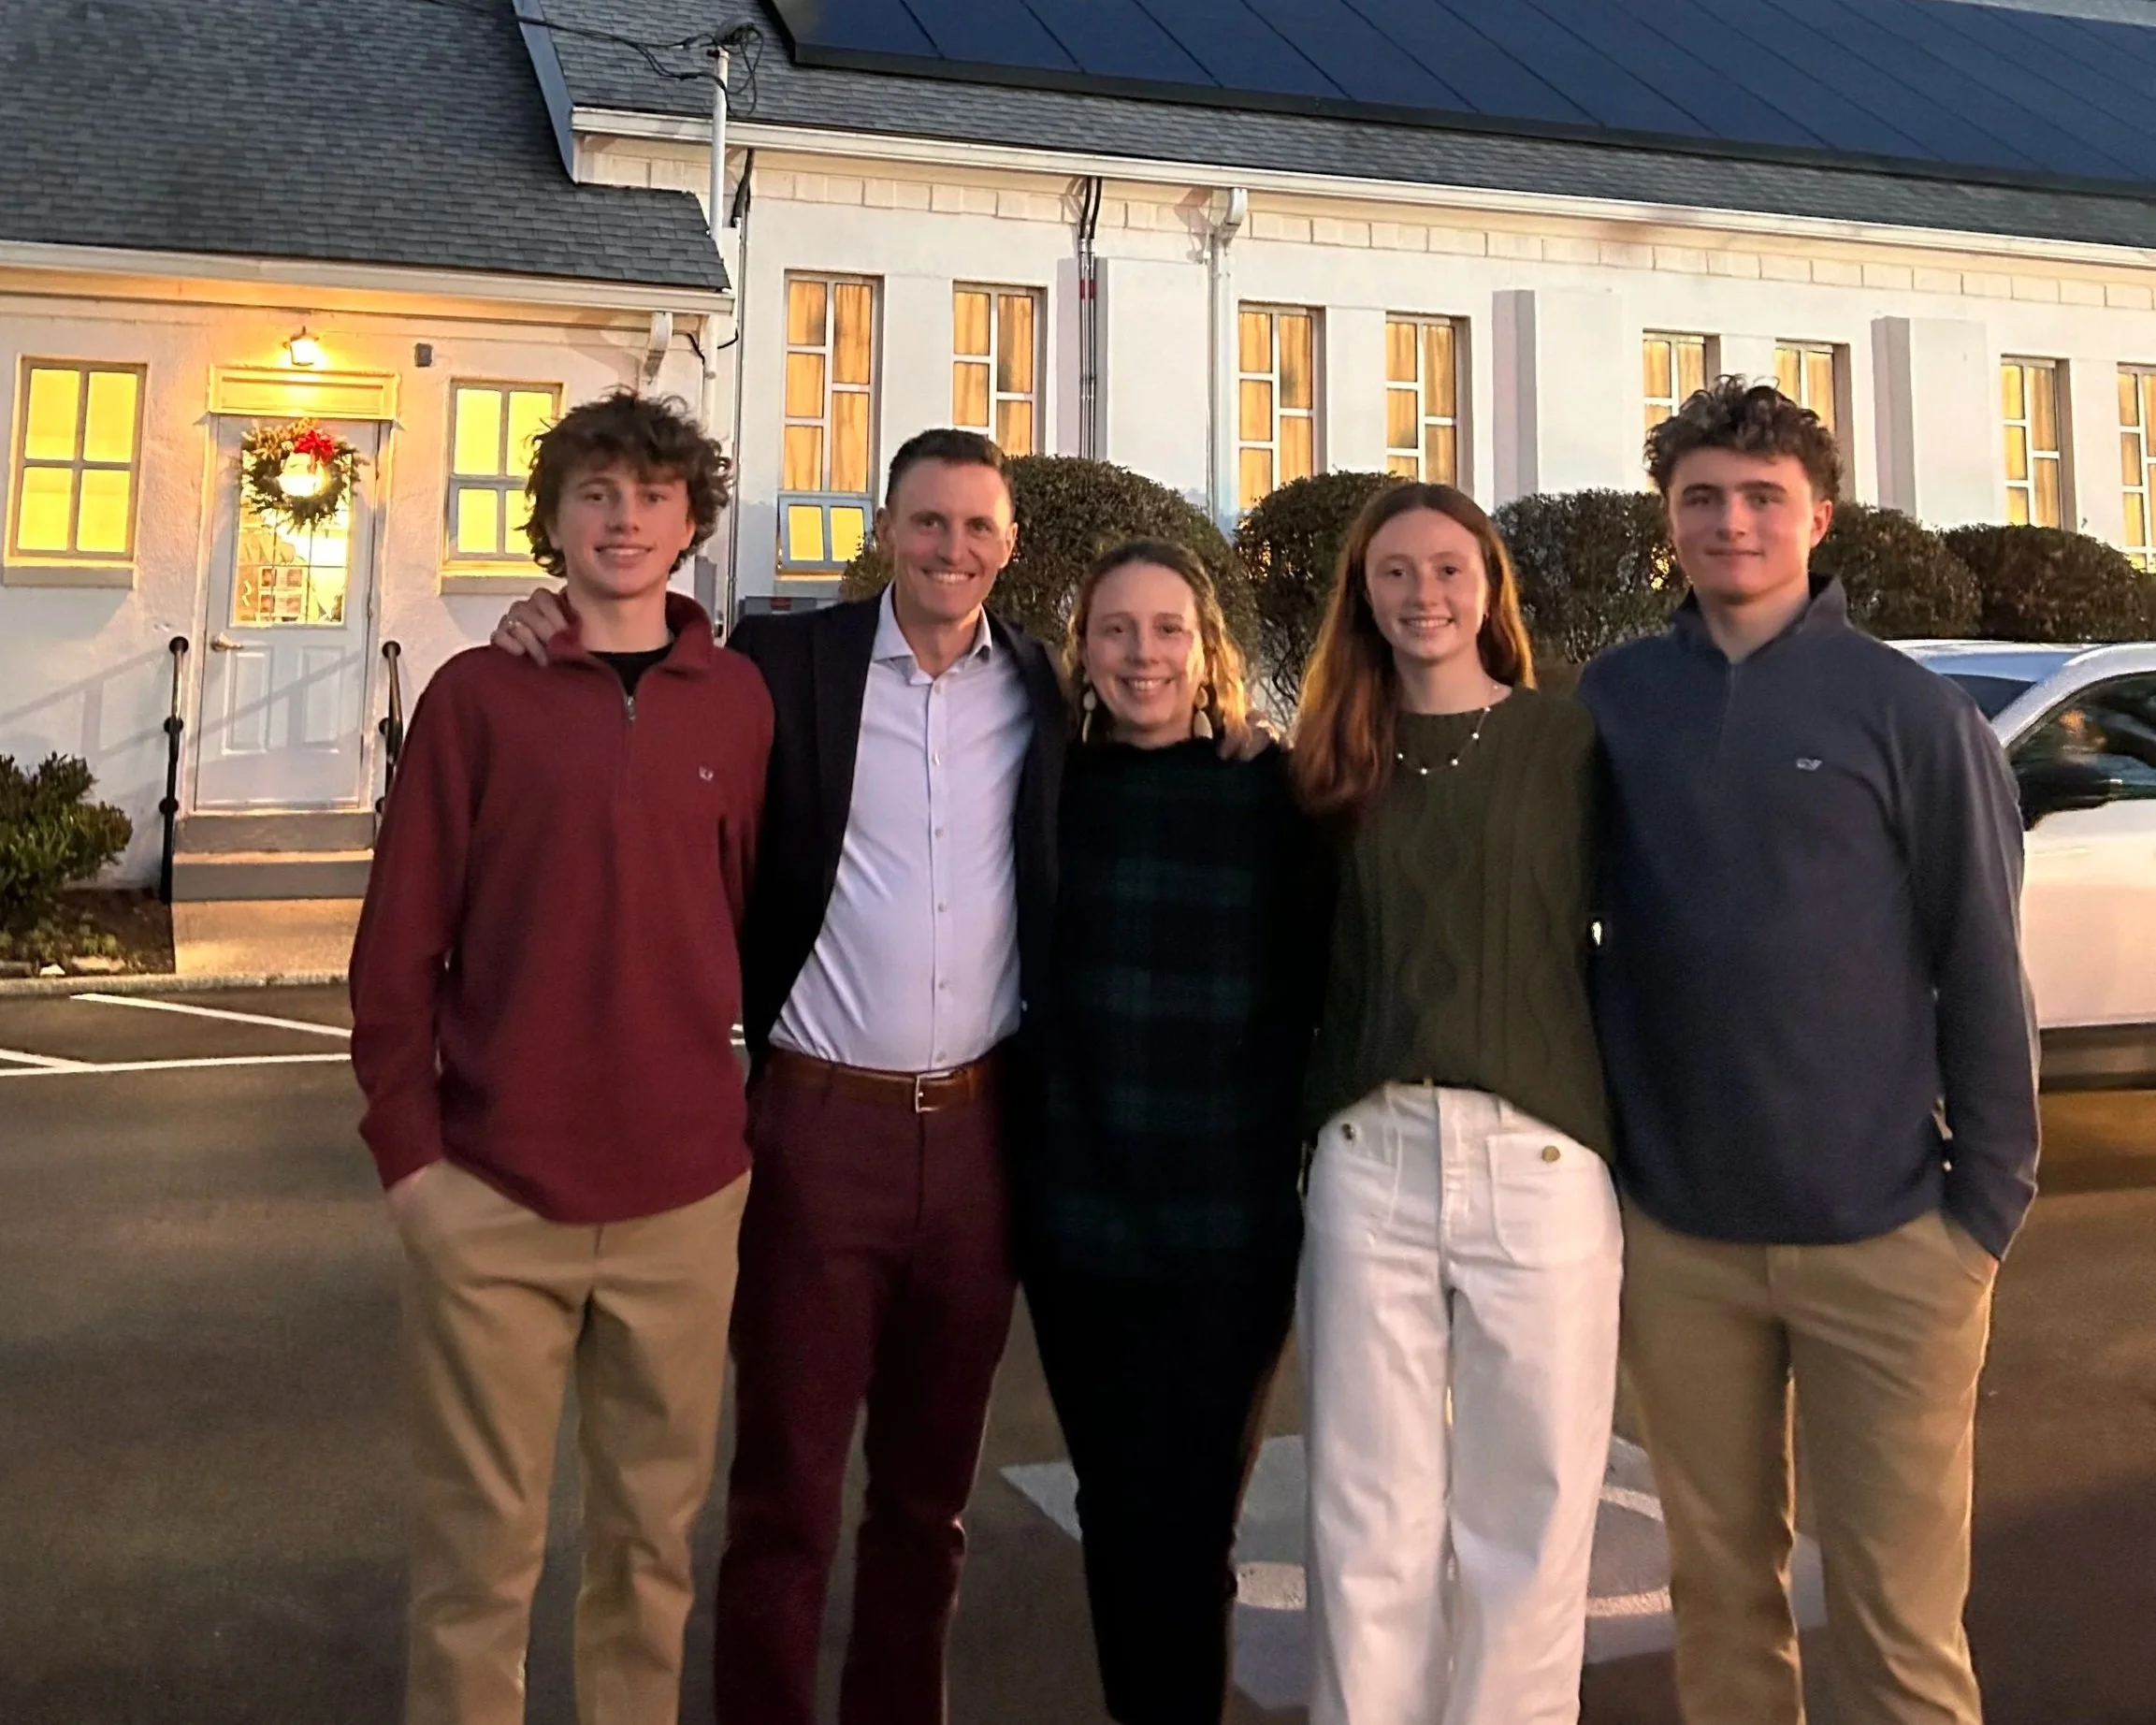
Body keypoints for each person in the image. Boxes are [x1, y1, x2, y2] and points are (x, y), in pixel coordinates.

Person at [491, 428, 1065, 1725]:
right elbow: (649, 674)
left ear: (1009, 545)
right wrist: (551, 620)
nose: (952, 549)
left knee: (929, 1503)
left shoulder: (1038, 683)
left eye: (978, 528)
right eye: (929, 523)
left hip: (978, 1140)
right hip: (817, 1127)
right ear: (887, 527)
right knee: (787, 1495)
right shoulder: (783, 663)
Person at [1581, 377, 2040, 1725]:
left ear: (1817, 516)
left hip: (1892, 1242)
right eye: (1702, 499)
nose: (1731, 522)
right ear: (1669, 521)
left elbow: (1979, 960)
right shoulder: (1615, 702)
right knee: (1717, 1597)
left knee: (1900, 1624)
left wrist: (1986, 1205)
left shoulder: (1907, 714)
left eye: (1761, 498)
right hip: (1679, 1245)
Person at [350, 390, 772, 1725]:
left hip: (686, 1197)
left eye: (651, 494)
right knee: (479, 1561)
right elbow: (396, 947)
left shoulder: (740, 702)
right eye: (595, 494)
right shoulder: (479, 697)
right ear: (553, 523)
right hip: (492, 1196)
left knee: (650, 1556)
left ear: (692, 519)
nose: (624, 519)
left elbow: (752, 916)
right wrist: (412, 1165)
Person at [1290, 483, 1622, 1725]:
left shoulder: (1566, 744)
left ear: (1488, 584)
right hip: (1370, 1163)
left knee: (1528, 1526)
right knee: (1365, 1520)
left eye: (1446, 569)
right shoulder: (1325, 758)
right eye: (1393, 574)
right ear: (1362, 597)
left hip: (1540, 1163)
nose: (1421, 594)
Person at [1017, 541, 1323, 1725]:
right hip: (1077, 1212)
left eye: (1167, 630)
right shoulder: (1045, 788)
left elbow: (1317, 981)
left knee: (1193, 1519)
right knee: (1112, 1504)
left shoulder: (1272, 794)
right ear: (1081, 653)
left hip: (1227, 1221)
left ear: (1205, 653)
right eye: (1114, 631)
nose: (1141, 653)